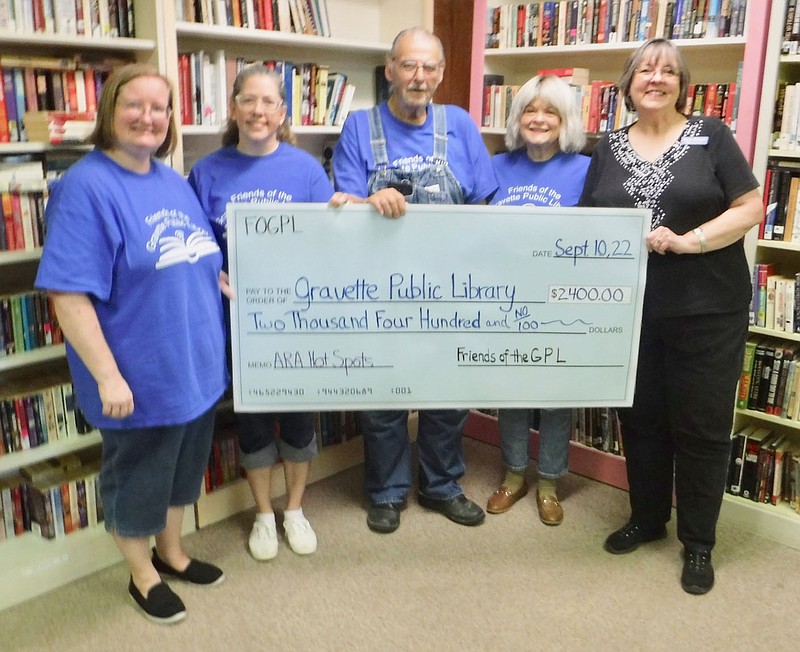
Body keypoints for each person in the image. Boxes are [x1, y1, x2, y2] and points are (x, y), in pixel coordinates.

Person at [34, 64, 230, 624]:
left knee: (182, 472)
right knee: (139, 478)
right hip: (139, 375)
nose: (149, 117)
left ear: (171, 120)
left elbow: (188, 254)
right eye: (135, 105)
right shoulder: (84, 187)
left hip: (196, 366)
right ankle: (142, 575)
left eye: (160, 107)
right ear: (109, 112)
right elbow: (69, 296)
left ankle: (171, 553)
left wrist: (214, 277)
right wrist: (107, 376)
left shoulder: (173, 180)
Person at [579, 39, 762, 594]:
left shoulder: (712, 136)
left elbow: (750, 206)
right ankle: (648, 518)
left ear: (682, 84)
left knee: (702, 427)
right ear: (627, 84)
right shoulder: (607, 146)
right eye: (644, 70)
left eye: (668, 71)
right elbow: (588, 223)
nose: (655, 78)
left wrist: (691, 240)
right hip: (632, 312)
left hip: (708, 308)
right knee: (640, 421)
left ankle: (699, 544)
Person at [332, 26, 498, 534]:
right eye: (409, 65)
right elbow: (340, 209)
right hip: (381, 292)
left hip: (450, 290)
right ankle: (386, 491)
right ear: (390, 71)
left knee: (447, 397)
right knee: (383, 399)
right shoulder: (360, 128)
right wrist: (366, 203)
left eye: (429, 68)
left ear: (442, 74)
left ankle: (441, 485)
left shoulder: (461, 125)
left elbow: (486, 205)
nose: (419, 77)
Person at [188, 64, 344, 561]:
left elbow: (331, 242)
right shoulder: (207, 172)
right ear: (233, 108)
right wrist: (212, 275)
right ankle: (262, 513)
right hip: (239, 325)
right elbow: (195, 246)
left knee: (299, 421)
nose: (258, 111)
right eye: (248, 100)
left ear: (282, 112)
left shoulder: (305, 170)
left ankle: (294, 509)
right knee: (252, 424)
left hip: (297, 323)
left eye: (269, 102)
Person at [486, 75, 589, 525]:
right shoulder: (496, 166)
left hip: (560, 303)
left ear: (565, 121)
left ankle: (548, 482)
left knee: (553, 398)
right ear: (518, 118)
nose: (540, 119)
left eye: (551, 112)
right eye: (530, 110)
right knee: (511, 392)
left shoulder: (585, 169)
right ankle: (513, 476)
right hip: (505, 301)